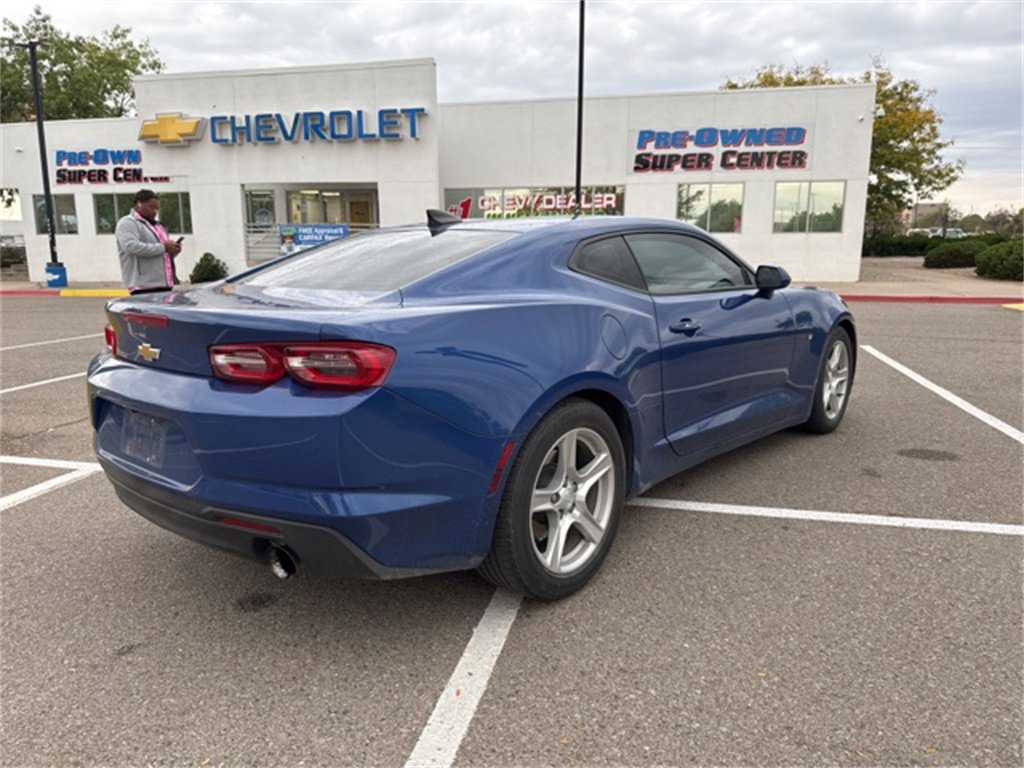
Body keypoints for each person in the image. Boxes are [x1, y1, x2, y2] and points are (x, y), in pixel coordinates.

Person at [115, 189, 182, 294]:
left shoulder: (158, 226)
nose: (155, 211)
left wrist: (173, 250)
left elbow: (161, 253)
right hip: (144, 286)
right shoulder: (128, 223)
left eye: (157, 208)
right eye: (151, 207)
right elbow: (131, 247)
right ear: (139, 204)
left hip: (165, 284)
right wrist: (164, 247)